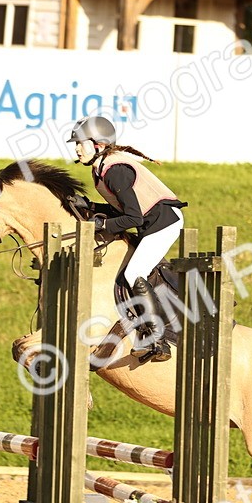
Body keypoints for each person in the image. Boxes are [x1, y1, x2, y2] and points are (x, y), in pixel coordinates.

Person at [66, 116, 186, 363]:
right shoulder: (102, 168)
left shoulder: (115, 170)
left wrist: (103, 225)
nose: (77, 149)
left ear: (98, 144)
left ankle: (157, 340)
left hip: (163, 223)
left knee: (134, 273)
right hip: (152, 223)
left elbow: (132, 217)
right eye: (75, 144)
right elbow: (121, 209)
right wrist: (90, 205)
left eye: (80, 143)